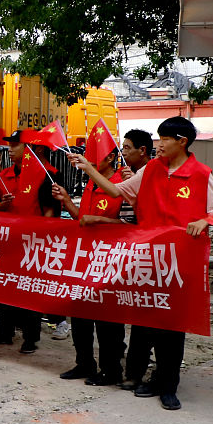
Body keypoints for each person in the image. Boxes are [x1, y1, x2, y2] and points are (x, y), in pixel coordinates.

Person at [69, 116, 213, 410]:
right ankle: (149, 379)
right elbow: (117, 191)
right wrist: (89, 169)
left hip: (179, 264)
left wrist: (204, 220)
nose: (159, 144)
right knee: (148, 322)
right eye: (158, 138)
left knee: (173, 327)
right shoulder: (151, 169)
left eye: (164, 139)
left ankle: (168, 385)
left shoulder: (202, 174)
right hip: (148, 261)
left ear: (182, 142)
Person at [51, 146, 126, 385]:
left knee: (108, 321)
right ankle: (84, 363)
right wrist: (65, 200)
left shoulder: (121, 185)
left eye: (95, 156)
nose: (88, 161)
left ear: (111, 158)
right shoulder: (91, 185)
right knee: (80, 315)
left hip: (109, 261)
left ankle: (111, 370)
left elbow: (130, 225)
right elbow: (81, 219)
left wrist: (101, 221)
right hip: (83, 259)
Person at [0, 130, 60, 354]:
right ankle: (3, 332)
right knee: (3, 284)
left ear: (31, 150)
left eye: (16, 145)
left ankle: (30, 337)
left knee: (28, 291)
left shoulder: (46, 175)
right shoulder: (4, 174)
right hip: (8, 240)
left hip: (31, 243)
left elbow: (50, 212)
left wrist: (38, 237)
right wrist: (2, 206)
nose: (10, 149)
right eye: (11, 145)